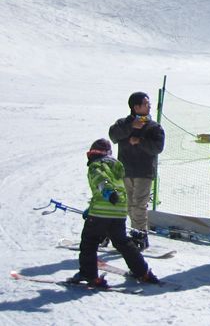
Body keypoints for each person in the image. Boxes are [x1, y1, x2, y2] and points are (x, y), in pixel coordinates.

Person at [67, 138, 159, 287]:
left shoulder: (96, 165)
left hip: (101, 212)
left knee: (89, 243)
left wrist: (109, 193)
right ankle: (142, 272)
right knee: (122, 242)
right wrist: (91, 208)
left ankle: (89, 275)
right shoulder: (117, 167)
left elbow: (100, 180)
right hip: (118, 212)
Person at [108, 91, 165, 251]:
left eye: (148, 104)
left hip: (144, 172)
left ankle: (140, 235)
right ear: (136, 107)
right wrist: (130, 127)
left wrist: (140, 141)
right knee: (128, 205)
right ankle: (133, 233)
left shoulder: (154, 127)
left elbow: (157, 147)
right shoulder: (123, 123)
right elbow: (113, 135)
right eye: (146, 104)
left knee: (139, 204)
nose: (149, 106)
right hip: (125, 171)